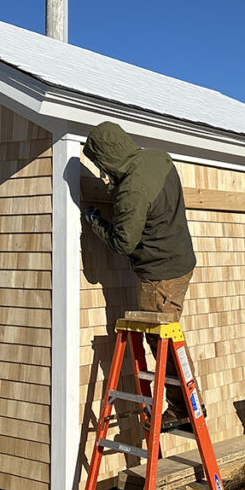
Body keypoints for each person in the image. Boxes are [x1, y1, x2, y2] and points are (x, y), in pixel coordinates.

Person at [82, 121, 199, 429]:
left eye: (100, 164)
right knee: (166, 338)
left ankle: (183, 409)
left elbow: (123, 242)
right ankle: (186, 406)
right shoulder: (157, 157)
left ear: (106, 156)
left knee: (161, 342)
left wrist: (95, 221)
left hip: (158, 275)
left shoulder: (131, 191)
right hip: (179, 260)